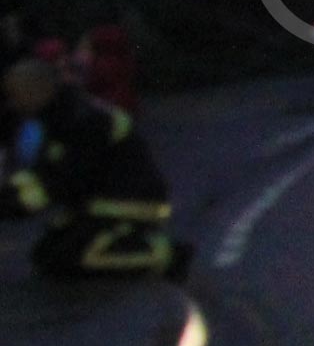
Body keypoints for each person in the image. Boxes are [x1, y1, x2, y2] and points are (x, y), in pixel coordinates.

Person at [5, 57, 186, 279]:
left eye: (16, 95)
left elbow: (61, 180)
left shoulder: (82, 120)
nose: (13, 104)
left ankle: (166, 255)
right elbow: (45, 173)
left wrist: (10, 204)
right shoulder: (60, 114)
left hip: (128, 203)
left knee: (72, 256)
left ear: (36, 90)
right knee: (46, 255)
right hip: (101, 201)